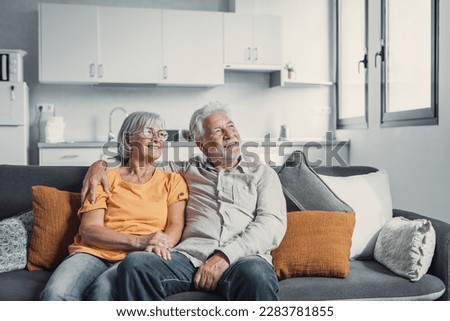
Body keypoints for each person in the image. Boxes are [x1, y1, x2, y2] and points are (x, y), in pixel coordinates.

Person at [83, 102, 287, 300]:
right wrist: (98, 165)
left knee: (257, 274)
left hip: (243, 259)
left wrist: (224, 257)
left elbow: (271, 225)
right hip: (188, 258)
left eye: (231, 126)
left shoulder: (263, 174)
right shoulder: (185, 170)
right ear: (201, 144)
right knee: (136, 263)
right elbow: (138, 163)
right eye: (218, 130)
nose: (229, 134)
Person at [41, 112, 188, 300]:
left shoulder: (173, 180)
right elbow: (90, 230)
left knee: (103, 292)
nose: (157, 139)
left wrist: (162, 244)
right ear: (128, 139)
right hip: (92, 253)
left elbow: (176, 225)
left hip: (138, 258)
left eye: (161, 134)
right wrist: (140, 241)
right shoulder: (104, 177)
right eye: (149, 131)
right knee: (56, 293)